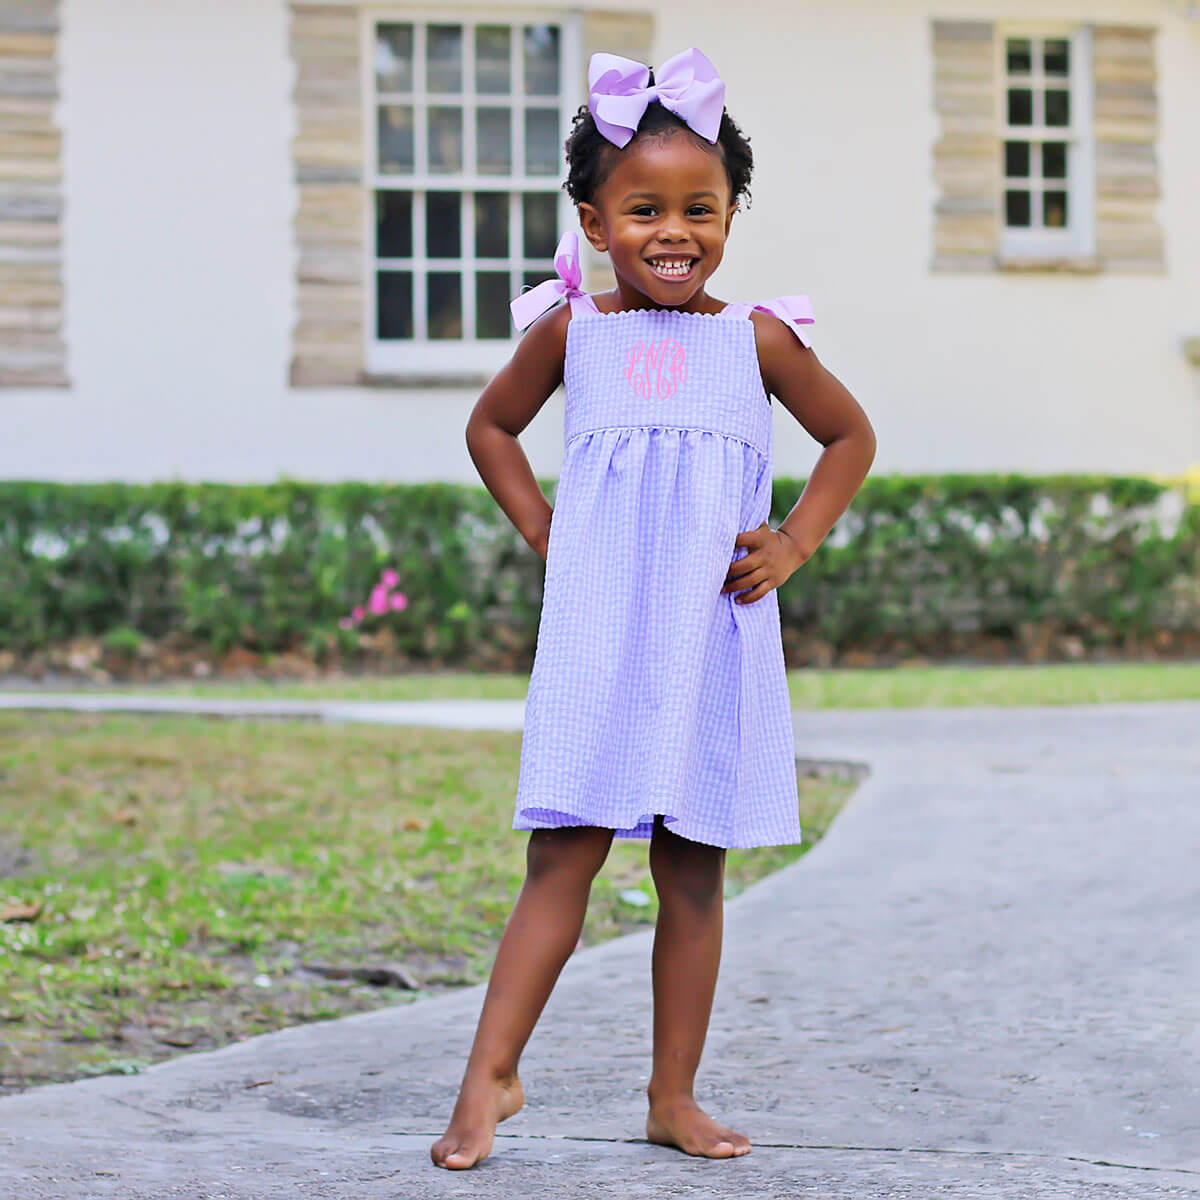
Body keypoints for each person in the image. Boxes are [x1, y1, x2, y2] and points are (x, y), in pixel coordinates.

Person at [433, 46, 876, 1171]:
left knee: (691, 867)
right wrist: (543, 526)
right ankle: (489, 1075)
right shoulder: (575, 332)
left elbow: (849, 438)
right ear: (594, 221)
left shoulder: (757, 340)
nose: (673, 232)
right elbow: (492, 428)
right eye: (644, 210)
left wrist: (795, 540)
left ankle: (671, 1096)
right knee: (563, 854)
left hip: (712, 634)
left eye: (700, 208)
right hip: (599, 633)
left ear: (730, 214)